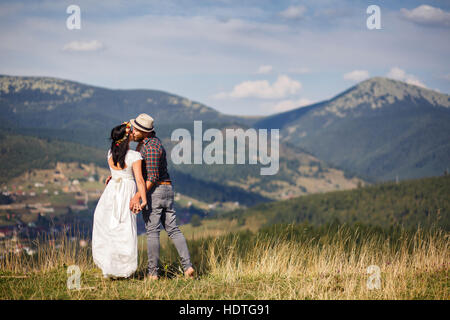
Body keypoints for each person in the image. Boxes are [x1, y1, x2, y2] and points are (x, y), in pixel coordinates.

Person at [129, 113, 195, 280]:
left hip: (155, 191)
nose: (133, 131)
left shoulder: (150, 148)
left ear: (145, 132)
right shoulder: (152, 143)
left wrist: (138, 196)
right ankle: (188, 267)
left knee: (152, 232)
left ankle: (153, 273)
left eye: (135, 129)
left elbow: (152, 177)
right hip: (167, 190)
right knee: (173, 229)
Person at [92, 122, 147, 278]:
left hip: (111, 192)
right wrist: (143, 199)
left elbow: (116, 173)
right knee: (124, 226)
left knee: (110, 227)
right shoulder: (134, 157)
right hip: (126, 192)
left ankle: (110, 265)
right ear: (128, 137)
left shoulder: (110, 154)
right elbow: (140, 180)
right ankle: (123, 268)